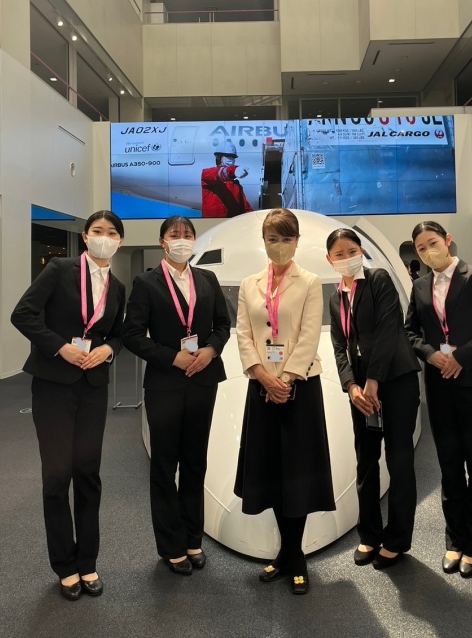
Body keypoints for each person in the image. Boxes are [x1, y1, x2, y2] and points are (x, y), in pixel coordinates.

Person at [11, 210, 126, 601]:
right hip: (53, 385)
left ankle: (88, 562)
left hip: (93, 387)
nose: (104, 237)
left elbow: (117, 334)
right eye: (97, 231)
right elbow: (22, 314)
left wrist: (108, 349)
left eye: (111, 233)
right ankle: (65, 566)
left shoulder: (118, 287)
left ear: (120, 241)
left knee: (88, 474)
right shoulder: (60, 270)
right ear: (85, 237)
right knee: (57, 476)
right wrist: (60, 347)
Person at [122, 216, 230, 576]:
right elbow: (132, 334)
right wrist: (172, 357)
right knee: (165, 464)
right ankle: (171, 546)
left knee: (195, 462)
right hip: (165, 383)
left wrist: (210, 351)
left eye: (187, 234)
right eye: (174, 234)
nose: (182, 240)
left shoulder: (207, 278)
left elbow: (222, 325)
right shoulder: (146, 283)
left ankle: (193, 539)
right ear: (162, 241)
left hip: (203, 379)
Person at [234, 208, 335, 594]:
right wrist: (263, 376)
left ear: (296, 242)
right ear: (264, 242)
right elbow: (244, 334)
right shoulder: (249, 284)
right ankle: (287, 553)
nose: (279, 246)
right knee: (271, 471)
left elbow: (310, 335)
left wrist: (286, 379)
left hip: (300, 387)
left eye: (286, 238)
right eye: (272, 239)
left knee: (298, 472)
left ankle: (294, 555)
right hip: (261, 386)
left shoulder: (310, 282)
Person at [404, 221, 472, 578]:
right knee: (449, 465)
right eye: (421, 248)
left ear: (447, 240)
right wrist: (431, 354)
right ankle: (455, 540)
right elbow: (410, 332)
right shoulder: (419, 286)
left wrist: (461, 357)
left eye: (432, 243)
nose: (428, 251)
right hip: (439, 384)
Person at [327, 229, 421, 570]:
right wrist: (351, 385)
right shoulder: (335, 297)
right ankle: (369, 535)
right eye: (339, 254)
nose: (346, 258)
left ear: (361, 251)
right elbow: (339, 346)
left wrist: (373, 381)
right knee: (365, 461)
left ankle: (396, 540)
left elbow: (387, 330)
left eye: (351, 251)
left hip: (395, 382)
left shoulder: (378, 279)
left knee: (399, 460)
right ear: (329, 260)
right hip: (361, 391)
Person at [201, 139, 253, 218]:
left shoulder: (236, 186)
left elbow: (246, 209)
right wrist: (233, 170)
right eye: (228, 157)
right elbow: (221, 173)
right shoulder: (207, 175)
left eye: (233, 158)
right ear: (219, 158)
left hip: (231, 224)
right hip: (212, 224)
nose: (231, 160)